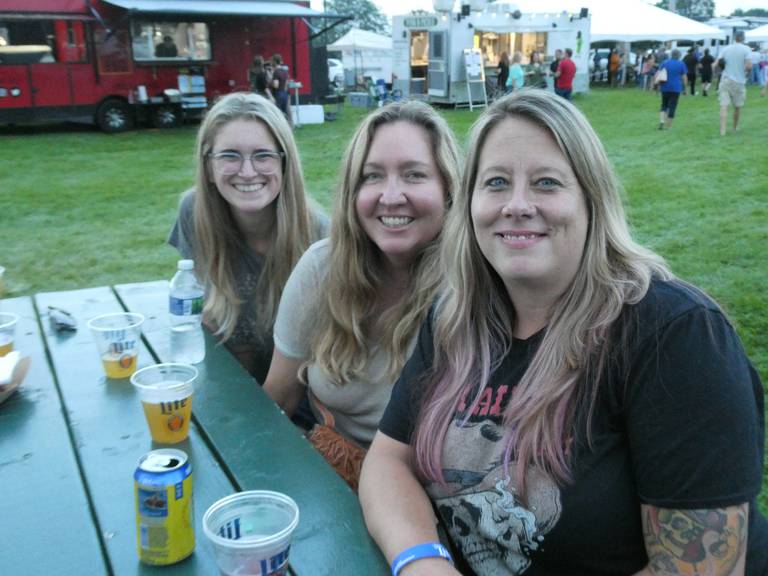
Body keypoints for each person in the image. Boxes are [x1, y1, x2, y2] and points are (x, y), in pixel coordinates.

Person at [359, 89, 768, 576]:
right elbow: (388, 460)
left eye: (547, 183)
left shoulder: (673, 335)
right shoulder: (455, 317)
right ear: (468, 203)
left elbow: (699, 567)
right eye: (495, 182)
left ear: (591, 199)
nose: (516, 205)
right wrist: (423, 562)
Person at [263, 101, 461, 462]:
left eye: (414, 174)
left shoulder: (473, 285)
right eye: (372, 176)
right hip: (336, 477)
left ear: (449, 189)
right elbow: (278, 399)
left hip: (437, 497)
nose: (390, 196)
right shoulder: (321, 270)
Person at [168, 92, 328, 383]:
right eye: (230, 155)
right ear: (209, 167)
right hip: (228, 383)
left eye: (263, 155)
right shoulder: (193, 212)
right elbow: (206, 314)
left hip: (302, 401)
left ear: (284, 163)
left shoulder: (320, 239)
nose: (247, 171)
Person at [716, 30, 753, 136]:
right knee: (737, 106)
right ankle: (735, 127)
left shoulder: (726, 48)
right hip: (739, 81)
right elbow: (749, 66)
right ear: (743, 38)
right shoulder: (746, 49)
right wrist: (747, 73)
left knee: (724, 105)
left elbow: (718, 62)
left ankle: (722, 131)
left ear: (734, 37)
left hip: (725, 79)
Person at [657, 48, 687, 130]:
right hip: (676, 88)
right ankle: (669, 126)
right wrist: (685, 88)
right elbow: (684, 77)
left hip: (665, 87)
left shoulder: (665, 63)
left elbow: (659, 74)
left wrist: (657, 85)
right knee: (672, 106)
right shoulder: (681, 64)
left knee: (664, 105)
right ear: (679, 56)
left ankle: (662, 121)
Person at [270, 53, 291, 124]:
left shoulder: (276, 72)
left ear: (274, 62)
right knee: (284, 113)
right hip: (284, 94)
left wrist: (270, 82)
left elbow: (276, 85)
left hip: (278, 94)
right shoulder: (285, 72)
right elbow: (286, 84)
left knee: (277, 114)